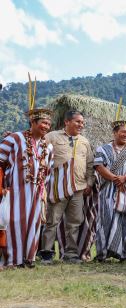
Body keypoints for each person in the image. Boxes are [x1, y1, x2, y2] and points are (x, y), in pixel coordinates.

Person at [0, 108, 54, 267]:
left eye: (48, 124)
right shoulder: (15, 139)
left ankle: (28, 258)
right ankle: (11, 260)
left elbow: (48, 170)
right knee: (14, 222)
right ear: (33, 122)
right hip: (14, 191)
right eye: (43, 123)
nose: (46, 126)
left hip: (37, 192)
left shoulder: (48, 147)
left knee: (34, 224)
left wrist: (44, 191)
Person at [40, 110, 94, 264]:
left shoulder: (84, 141)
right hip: (58, 187)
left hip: (78, 188)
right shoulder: (52, 136)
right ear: (67, 122)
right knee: (52, 220)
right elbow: (38, 149)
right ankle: (47, 253)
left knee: (75, 221)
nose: (81, 125)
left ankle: (70, 254)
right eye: (78, 121)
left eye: (82, 122)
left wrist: (89, 183)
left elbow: (90, 164)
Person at [94, 121, 126, 261]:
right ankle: (102, 254)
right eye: (123, 132)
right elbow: (99, 166)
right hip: (108, 190)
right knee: (106, 220)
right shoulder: (102, 149)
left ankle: (124, 253)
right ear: (115, 132)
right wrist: (116, 179)